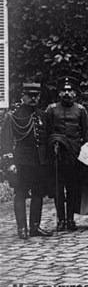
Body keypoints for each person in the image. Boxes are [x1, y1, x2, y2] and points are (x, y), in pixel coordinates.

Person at [1, 83, 53, 239]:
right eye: (30, 95)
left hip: (40, 161)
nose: (33, 98)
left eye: (36, 95)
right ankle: (22, 228)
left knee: (38, 193)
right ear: (23, 96)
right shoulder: (14, 116)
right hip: (22, 162)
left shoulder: (42, 115)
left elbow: (46, 138)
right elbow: (6, 142)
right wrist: (9, 163)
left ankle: (35, 227)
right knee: (21, 193)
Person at [46, 76, 88, 231]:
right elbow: (47, 132)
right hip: (57, 155)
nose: (67, 93)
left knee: (73, 187)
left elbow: (86, 135)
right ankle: (61, 219)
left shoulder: (80, 110)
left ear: (74, 93)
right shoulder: (51, 110)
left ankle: (71, 219)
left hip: (74, 155)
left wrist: (85, 154)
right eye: (64, 90)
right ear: (59, 93)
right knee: (59, 188)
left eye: (70, 90)